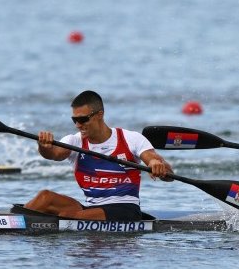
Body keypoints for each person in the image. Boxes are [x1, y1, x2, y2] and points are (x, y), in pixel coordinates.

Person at [23, 90, 173, 221]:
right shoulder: (74, 141)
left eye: (83, 119)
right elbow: (54, 154)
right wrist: (43, 146)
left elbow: (163, 169)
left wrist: (156, 165)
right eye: (74, 120)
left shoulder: (130, 138)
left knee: (69, 216)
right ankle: (12, 221)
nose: (78, 125)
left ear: (99, 114)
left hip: (125, 210)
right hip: (92, 209)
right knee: (44, 197)